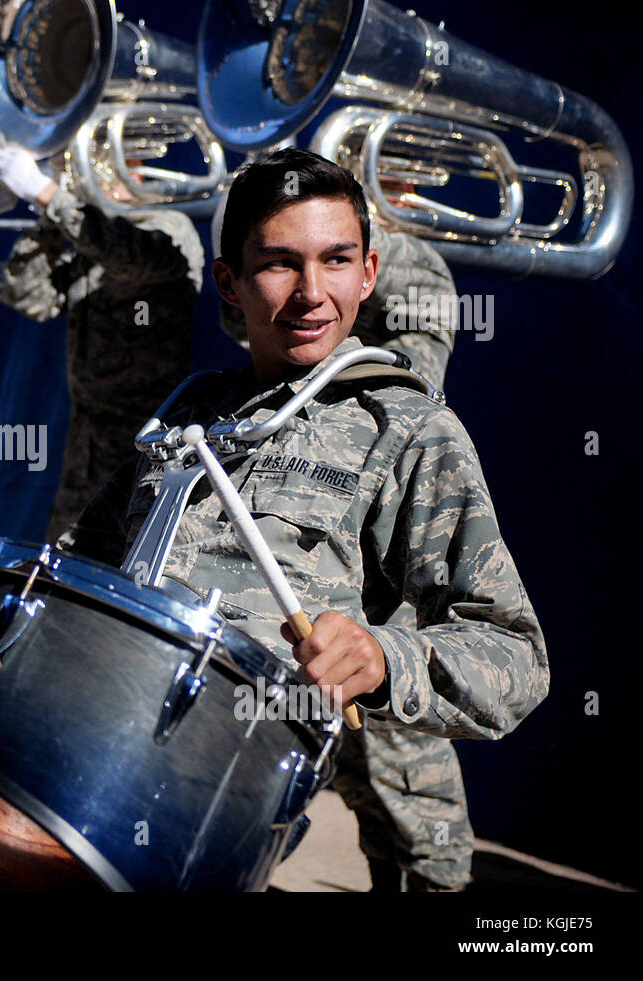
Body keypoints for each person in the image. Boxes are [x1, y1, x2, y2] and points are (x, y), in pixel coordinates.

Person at [63, 148, 549, 892]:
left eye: (336, 260)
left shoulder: (408, 426)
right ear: (227, 282)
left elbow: (517, 655)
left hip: (235, 797)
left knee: (423, 850)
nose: (311, 293)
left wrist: (386, 659)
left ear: (370, 274)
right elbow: (76, 571)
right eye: (280, 263)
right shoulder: (187, 416)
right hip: (112, 771)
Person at [221, 198, 472, 890]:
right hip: (306, 575)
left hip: (381, 592)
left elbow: (411, 280)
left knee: (410, 800)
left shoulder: (411, 293)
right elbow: (236, 313)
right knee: (359, 790)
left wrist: (349, 209)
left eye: (335, 254)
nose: (311, 283)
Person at [0, 145, 205, 542]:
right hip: (84, 453)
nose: (110, 178)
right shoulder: (91, 240)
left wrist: (50, 196)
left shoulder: (169, 227)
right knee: (67, 579)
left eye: (122, 167)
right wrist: (53, 218)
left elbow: (129, 255)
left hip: (147, 453)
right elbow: (29, 296)